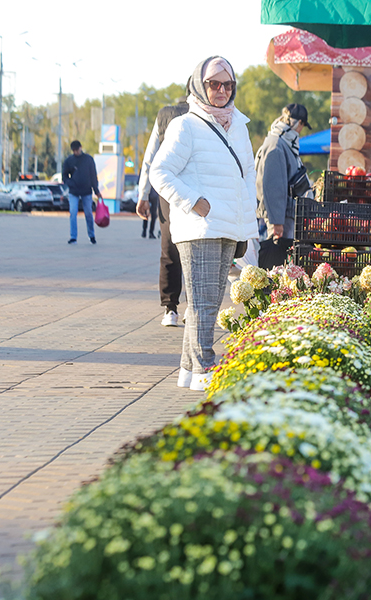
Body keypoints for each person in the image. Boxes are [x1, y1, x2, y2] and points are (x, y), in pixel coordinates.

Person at [150, 56, 258, 392]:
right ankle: (204, 367)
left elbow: (247, 177)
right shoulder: (186, 125)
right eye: (214, 84)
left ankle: (187, 369)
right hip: (200, 227)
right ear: (200, 85)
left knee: (208, 300)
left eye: (227, 85)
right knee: (203, 302)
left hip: (229, 224)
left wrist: (246, 224)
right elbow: (159, 172)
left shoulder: (238, 125)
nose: (221, 91)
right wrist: (194, 201)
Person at [137, 95, 189, 327]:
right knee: (198, 248)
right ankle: (194, 307)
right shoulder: (212, 113)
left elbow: (150, 157)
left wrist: (143, 195)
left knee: (169, 250)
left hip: (167, 192)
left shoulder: (164, 115)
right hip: (198, 191)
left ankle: (170, 308)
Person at [254, 103, 312, 269]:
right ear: (298, 123)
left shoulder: (282, 142)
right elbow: (273, 186)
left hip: (282, 215)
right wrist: (276, 221)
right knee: (275, 264)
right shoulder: (277, 145)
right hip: (278, 219)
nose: (301, 131)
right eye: (302, 126)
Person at [62, 140, 102, 245]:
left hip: (86, 191)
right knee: (73, 212)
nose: (76, 152)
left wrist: (96, 191)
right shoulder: (69, 161)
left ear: (81, 147)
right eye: (74, 150)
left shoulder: (88, 160)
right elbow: (64, 176)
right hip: (74, 191)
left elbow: (93, 176)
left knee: (88, 213)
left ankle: (92, 235)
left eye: (77, 150)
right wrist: (70, 183)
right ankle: (73, 237)